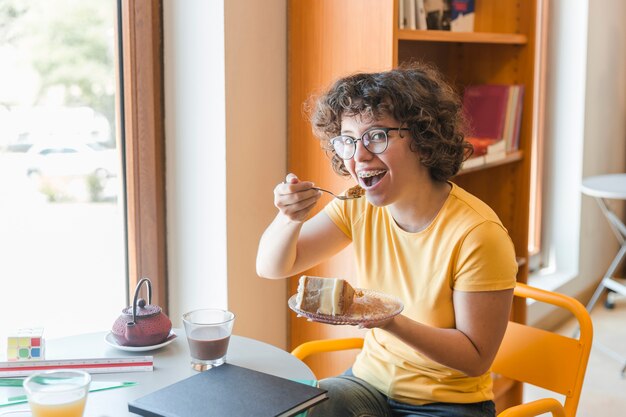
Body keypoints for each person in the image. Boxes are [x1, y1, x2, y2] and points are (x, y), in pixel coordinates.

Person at [256, 62, 518, 417]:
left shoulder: (478, 234)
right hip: (368, 384)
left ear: (423, 141)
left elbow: (475, 359)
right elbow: (273, 267)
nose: (359, 156)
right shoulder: (358, 207)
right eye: (347, 141)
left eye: (377, 136)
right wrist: (289, 218)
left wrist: (389, 320)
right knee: (298, 411)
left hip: (448, 404)